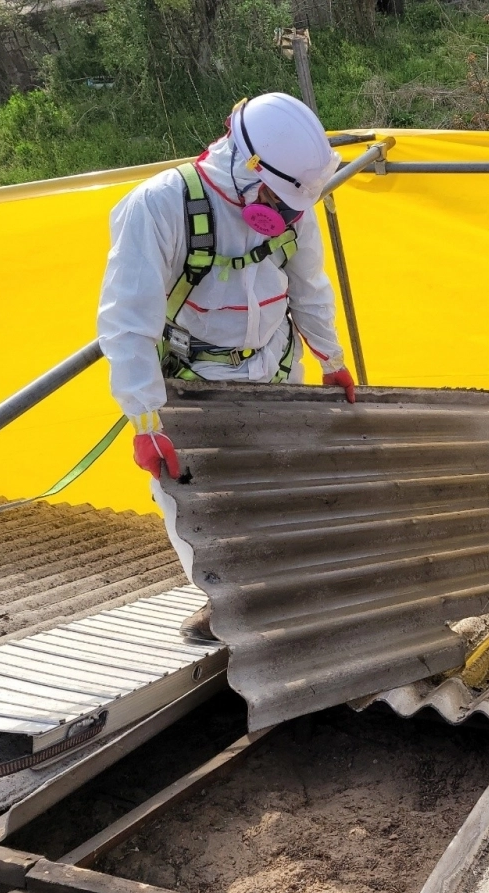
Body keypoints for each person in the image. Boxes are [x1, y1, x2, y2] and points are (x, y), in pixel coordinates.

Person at [97, 92, 356, 639]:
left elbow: (309, 285)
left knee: (283, 488)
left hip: (277, 369)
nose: (285, 214)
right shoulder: (159, 207)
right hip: (195, 387)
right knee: (198, 503)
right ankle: (223, 602)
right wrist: (144, 420)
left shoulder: (292, 203)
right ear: (244, 163)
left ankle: (287, 593)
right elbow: (127, 325)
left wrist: (330, 358)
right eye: (277, 198)